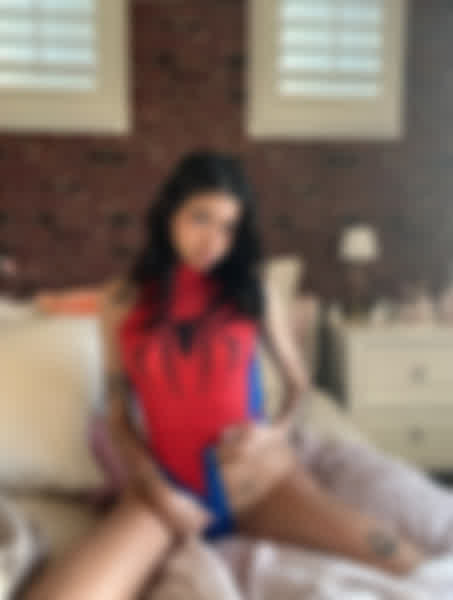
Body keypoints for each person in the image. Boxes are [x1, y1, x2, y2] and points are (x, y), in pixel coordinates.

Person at [25, 151, 423, 600]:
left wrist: (275, 434)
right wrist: (154, 488)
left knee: (403, 561)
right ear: (169, 213)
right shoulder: (121, 300)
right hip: (165, 495)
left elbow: (298, 383)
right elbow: (117, 416)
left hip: (260, 485)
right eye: (201, 218)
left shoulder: (254, 290)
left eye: (228, 227)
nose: (214, 240)